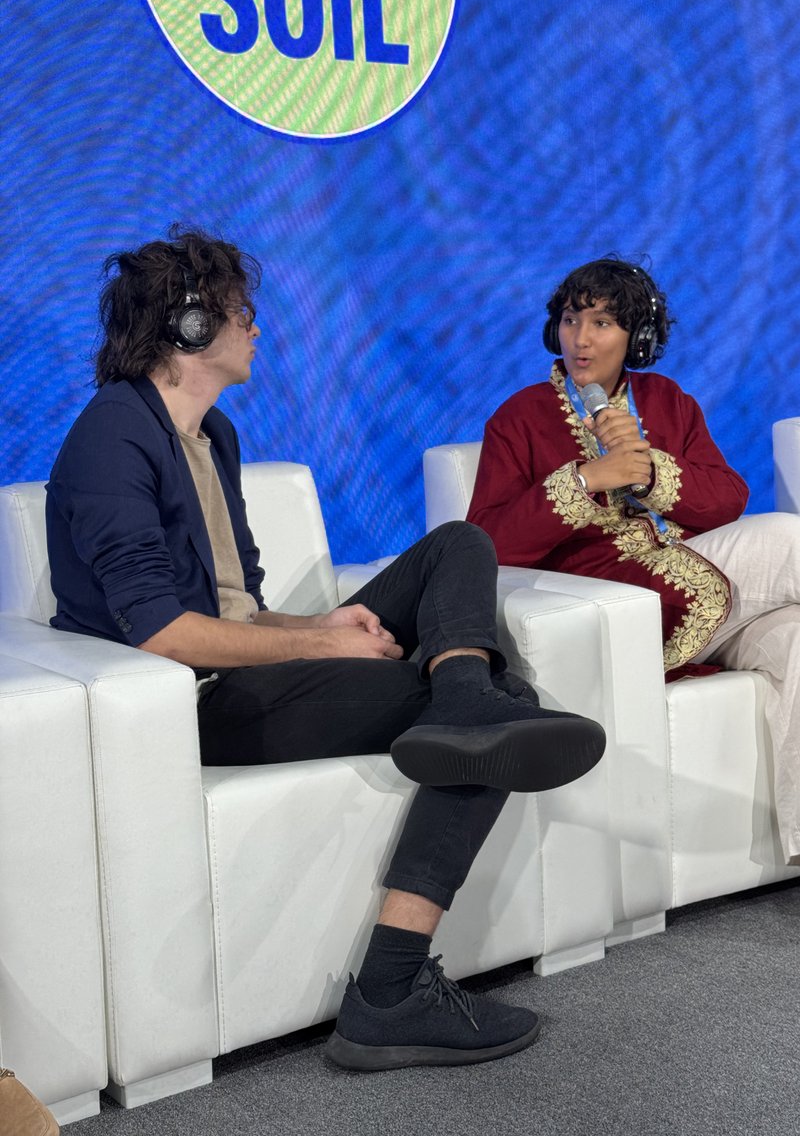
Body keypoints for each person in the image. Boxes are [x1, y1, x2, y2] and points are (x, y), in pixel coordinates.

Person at [45, 228, 606, 1072]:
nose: (257, 330)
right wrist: (319, 641)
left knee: (458, 545)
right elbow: (162, 632)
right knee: (510, 714)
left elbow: (237, 606)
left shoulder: (212, 434)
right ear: (191, 328)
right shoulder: (110, 440)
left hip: (246, 659)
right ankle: (389, 992)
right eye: (243, 314)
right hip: (197, 699)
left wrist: (320, 631)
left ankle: (461, 694)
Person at [467, 256, 800, 960]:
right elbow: (485, 541)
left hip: (714, 597)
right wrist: (588, 478)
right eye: (572, 318)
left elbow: (724, 496)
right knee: (791, 540)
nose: (581, 336)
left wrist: (649, 473)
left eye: (602, 321)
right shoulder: (518, 418)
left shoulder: (668, 401)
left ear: (634, 335)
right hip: (630, 604)